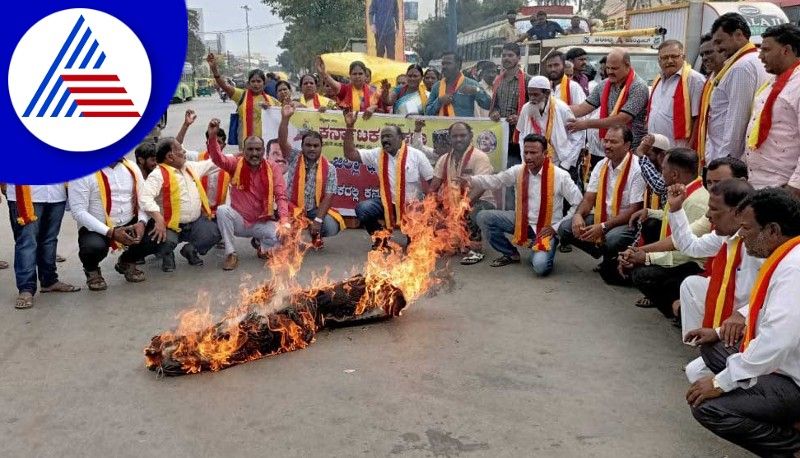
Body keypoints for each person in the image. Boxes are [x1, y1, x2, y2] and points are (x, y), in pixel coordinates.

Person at [686, 188, 800, 457]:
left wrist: (720, 383)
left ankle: (792, 447)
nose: (741, 235)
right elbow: (768, 309)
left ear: (772, 230)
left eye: (747, 228)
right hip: (785, 363)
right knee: (713, 346)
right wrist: (717, 331)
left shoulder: (794, 269)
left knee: (708, 408)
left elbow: (777, 342)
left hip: (793, 378)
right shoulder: (788, 255)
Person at [467, 134, 582, 274]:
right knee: (483, 217)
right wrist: (471, 180)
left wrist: (556, 228)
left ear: (545, 154)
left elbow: (579, 203)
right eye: (525, 152)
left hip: (546, 229)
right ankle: (510, 254)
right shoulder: (518, 170)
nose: (528, 157)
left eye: (533, 153)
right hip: (521, 221)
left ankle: (541, 248)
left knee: (540, 267)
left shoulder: (560, 176)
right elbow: (496, 181)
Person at [618, 148, 709, 317]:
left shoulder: (697, 202)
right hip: (677, 253)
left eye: (663, 169)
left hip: (691, 263)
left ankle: (679, 310)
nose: (661, 173)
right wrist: (650, 212)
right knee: (650, 226)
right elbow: (671, 218)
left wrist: (645, 257)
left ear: (674, 174)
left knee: (640, 274)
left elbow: (685, 249)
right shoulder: (685, 190)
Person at [668, 179, 757, 344]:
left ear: (738, 213)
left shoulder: (758, 244)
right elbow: (690, 246)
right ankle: (702, 347)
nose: (708, 215)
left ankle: (715, 352)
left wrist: (743, 314)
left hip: (752, 317)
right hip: (732, 308)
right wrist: (676, 209)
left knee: (695, 371)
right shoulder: (725, 235)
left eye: (714, 209)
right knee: (691, 284)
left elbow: (771, 293)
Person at [557, 125, 645, 285]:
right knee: (566, 228)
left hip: (627, 223)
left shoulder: (637, 168)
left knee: (611, 238)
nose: (607, 145)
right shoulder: (601, 164)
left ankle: (613, 258)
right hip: (603, 217)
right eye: (606, 141)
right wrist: (577, 215)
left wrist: (603, 227)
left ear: (627, 145)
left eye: (613, 142)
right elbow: (589, 198)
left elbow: (635, 209)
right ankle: (603, 254)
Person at [202, 120, 290, 270]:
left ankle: (262, 247)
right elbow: (218, 159)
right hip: (240, 222)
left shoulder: (273, 168)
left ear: (263, 151)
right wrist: (212, 137)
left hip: (262, 222)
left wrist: (284, 222)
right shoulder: (236, 164)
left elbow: (281, 196)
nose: (254, 154)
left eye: (258, 150)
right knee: (223, 210)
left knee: (285, 239)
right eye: (250, 149)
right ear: (244, 150)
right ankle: (231, 253)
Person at [342, 111, 434, 248]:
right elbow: (350, 154)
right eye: (383, 137)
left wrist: (428, 207)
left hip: (412, 206)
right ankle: (381, 237)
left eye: (389, 136)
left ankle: (414, 236)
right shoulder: (377, 154)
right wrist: (349, 127)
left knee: (415, 248)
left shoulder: (416, 155)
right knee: (363, 209)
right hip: (387, 204)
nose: (385, 140)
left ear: (400, 138)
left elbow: (432, 181)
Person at [139, 137, 223, 272]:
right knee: (164, 239)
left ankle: (190, 250)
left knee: (215, 232)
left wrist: (239, 157)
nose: (184, 152)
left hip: (194, 222)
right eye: (180, 149)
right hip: (170, 225)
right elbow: (145, 198)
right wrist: (158, 219)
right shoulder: (157, 174)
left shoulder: (189, 167)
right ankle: (166, 254)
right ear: (170, 156)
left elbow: (214, 163)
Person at [68, 158, 149, 290]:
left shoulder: (131, 167)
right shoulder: (82, 171)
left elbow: (144, 199)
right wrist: (111, 232)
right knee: (93, 247)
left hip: (129, 222)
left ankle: (127, 261)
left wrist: (142, 222)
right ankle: (92, 269)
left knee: (155, 233)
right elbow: (78, 212)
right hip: (97, 227)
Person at [701, 13, 769, 163]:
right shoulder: (750, 60)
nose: (717, 48)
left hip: (728, 160)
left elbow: (738, 121)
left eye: (719, 42)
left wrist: (726, 164)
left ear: (738, 35)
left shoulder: (741, 67)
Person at [744, 23, 800, 196]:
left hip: (784, 187)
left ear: (786, 50)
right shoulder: (773, 82)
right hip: (759, 183)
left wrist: (796, 186)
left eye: (766, 50)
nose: (760, 56)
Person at [429, 122, 496, 265]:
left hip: (480, 202)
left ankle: (476, 250)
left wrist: (462, 205)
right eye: (455, 136)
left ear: (470, 136)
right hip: (452, 202)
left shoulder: (480, 157)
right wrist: (428, 205)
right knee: (431, 210)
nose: (458, 139)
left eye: (462, 136)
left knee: (470, 210)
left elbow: (482, 186)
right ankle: (450, 240)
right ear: (450, 139)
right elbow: (434, 185)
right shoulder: (444, 159)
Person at [278, 104, 344, 248]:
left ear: (321, 147)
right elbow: (282, 142)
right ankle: (290, 235)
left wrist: (318, 220)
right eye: (308, 145)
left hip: (314, 209)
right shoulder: (295, 157)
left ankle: (316, 233)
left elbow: (329, 196)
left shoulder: (330, 168)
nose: (312, 149)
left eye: (315, 145)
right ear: (302, 147)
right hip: (292, 207)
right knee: (280, 236)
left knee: (330, 226)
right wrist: (285, 118)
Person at [6, 183, 78, 309]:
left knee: (49, 240)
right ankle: (26, 288)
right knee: (27, 243)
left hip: (56, 193)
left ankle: (49, 280)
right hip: (26, 194)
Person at [568, 49, 650, 150]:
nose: (610, 72)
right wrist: (556, 107)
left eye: (615, 68)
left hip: (632, 148)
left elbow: (622, 119)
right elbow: (582, 108)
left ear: (627, 66)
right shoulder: (604, 84)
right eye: (608, 68)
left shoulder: (638, 87)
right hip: (610, 146)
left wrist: (586, 124)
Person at [207, 53, 280, 148]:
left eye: (259, 81)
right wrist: (215, 70)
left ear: (264, 83)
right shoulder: (241, 95)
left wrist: (269, 110)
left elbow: (284, 115)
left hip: (266, 146)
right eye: (253, 81)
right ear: (248, 84)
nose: (256, 84)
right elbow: (224, 86)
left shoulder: (272, 101)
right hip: (246, 145)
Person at [516, 76, 582, 179]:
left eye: (536, 95)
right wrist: (525, 159)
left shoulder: (562, 109)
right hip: (533, 163)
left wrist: (566, 164)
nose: (532, 98)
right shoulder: (526, 108)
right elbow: (522, 134)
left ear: (547, 93)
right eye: (530, 95)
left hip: (558, 164)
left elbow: (577, 137)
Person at [647, 40, 706, 148]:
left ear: (683, 57)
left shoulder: (694, 80)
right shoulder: (658, 80)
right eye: (665, 58)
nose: (669, 61)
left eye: (674, 56)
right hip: (655, 147)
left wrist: (689, 149)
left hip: (678, 150)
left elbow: (698, 118)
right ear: (659, 61)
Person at [175, 109, 232, 217]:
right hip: (198, 212)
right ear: (207, 143)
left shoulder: (229, 162)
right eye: (213, 141)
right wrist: (186, 125)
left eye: (219, 142)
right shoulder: (197, 158)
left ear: (224, 145)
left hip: (221, 214)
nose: (216, 145)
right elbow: (176, 147)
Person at [488, 43, 530, 180]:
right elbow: (495, 105)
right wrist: (494, 112)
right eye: (504, 55)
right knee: (501, 174)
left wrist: (520, 117)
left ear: (518, 58)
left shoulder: (528, 80)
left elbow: (536, 109)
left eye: (510, 55)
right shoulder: (498, 81)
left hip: (520, 137)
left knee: (518, 174)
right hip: (500, 137)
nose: (506, 58)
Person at [693, 33, 726, 169]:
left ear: (723, 52)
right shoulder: (709, 80)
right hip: (708, 154)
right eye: (702, 55)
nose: (705, 58)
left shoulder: (729, 78)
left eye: (709, 53)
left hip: (724, 157)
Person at [426, 52, 491, 118]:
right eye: (443, 64)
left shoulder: (472, 84)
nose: (444, 67)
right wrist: (439, 101)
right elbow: (427, 112)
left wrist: (477, 90)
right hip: (440, 127)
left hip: (463, 127)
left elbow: (488, 105)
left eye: (448, 63)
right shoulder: (437, 86)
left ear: (458, 65)